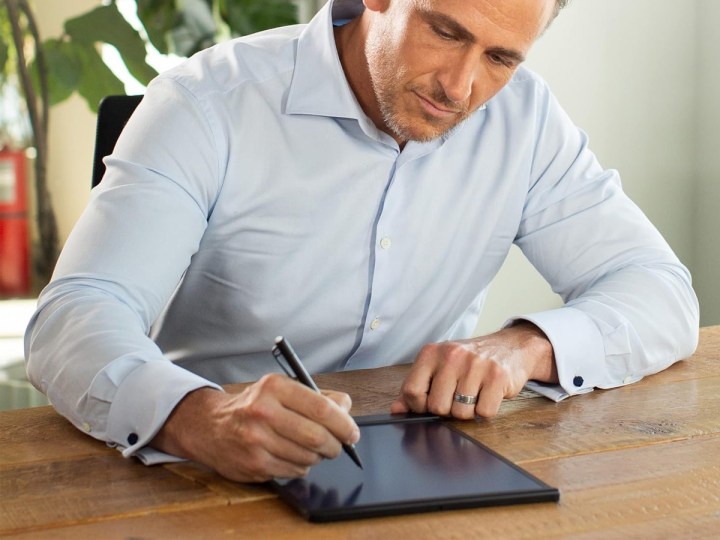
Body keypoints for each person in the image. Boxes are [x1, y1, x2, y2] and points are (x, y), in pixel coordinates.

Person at [25, 0, 698, 483]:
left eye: (500, 58)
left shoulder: (525, 121)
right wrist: (195, 416)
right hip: (207, 477)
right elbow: (76, 317)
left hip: (426, 474)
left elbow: (660, 293)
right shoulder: (209, 104)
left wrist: (525, 346)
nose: (460, 89)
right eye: (444, 31)